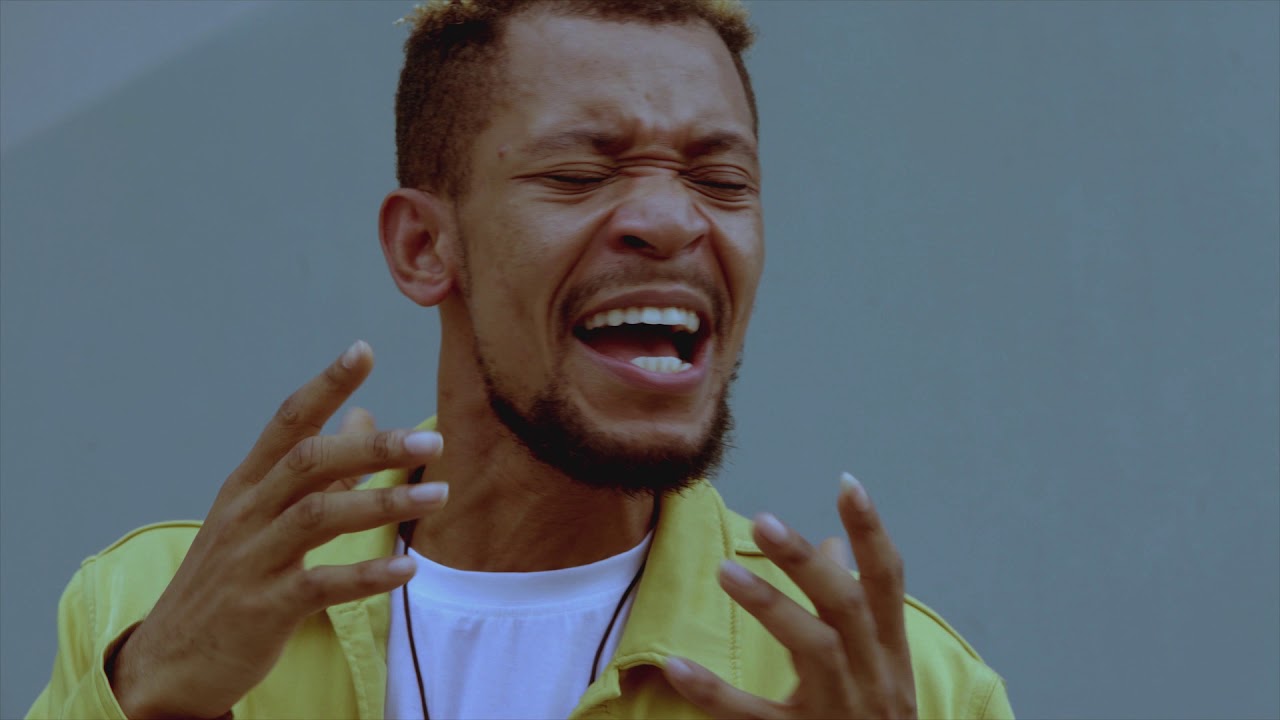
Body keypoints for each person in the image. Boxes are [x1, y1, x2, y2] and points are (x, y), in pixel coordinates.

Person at [28, 1, 1013, 718]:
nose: (671, 219)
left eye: (720, 180)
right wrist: (149, 694)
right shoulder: (147, 614)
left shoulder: (906, 687)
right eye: (581, 173)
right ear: (425, 247)